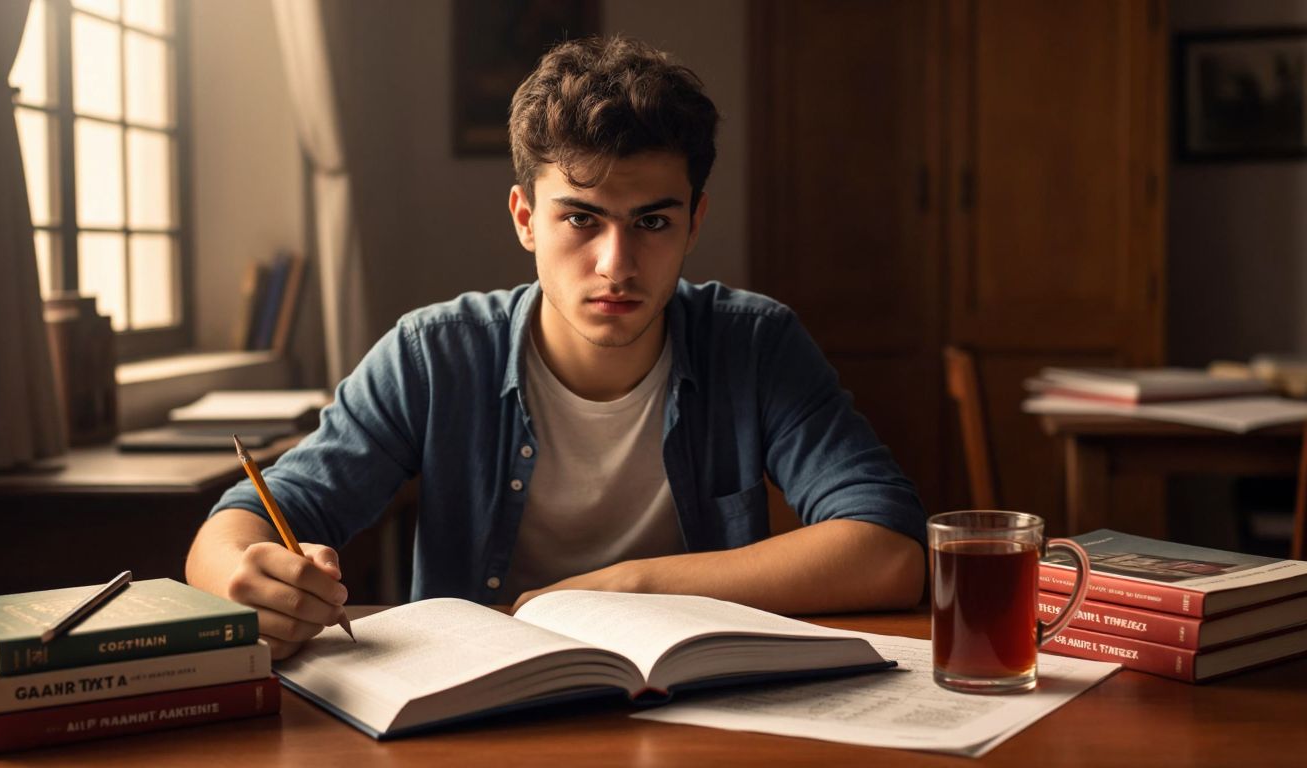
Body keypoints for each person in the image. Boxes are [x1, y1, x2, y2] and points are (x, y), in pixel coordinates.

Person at [186, 36, 926, 659]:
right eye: (581, 219)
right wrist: (248, 577)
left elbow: (888, 550)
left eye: (653, 223)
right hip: (471, 707)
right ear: (525, 219)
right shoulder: (433, 356)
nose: (616, 263)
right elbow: (236, 528)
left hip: (693, 707)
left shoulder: (755, 344)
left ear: (695, 222)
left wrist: (626, 586)